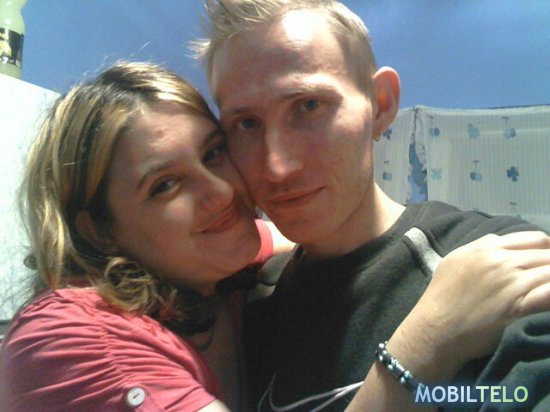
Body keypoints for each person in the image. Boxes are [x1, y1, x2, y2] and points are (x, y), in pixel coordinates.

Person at [193, 0, 550, 410]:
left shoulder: (498, 260)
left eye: (308, 106)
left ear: (380, 104)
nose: (277, 167)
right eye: (247, 124)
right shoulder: (252, 300)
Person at [0, 61, 293, 411]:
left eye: (213, 153)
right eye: (165, 185)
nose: (222, 192)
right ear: (100, 231)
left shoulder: (210, 264)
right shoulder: (70, 338)